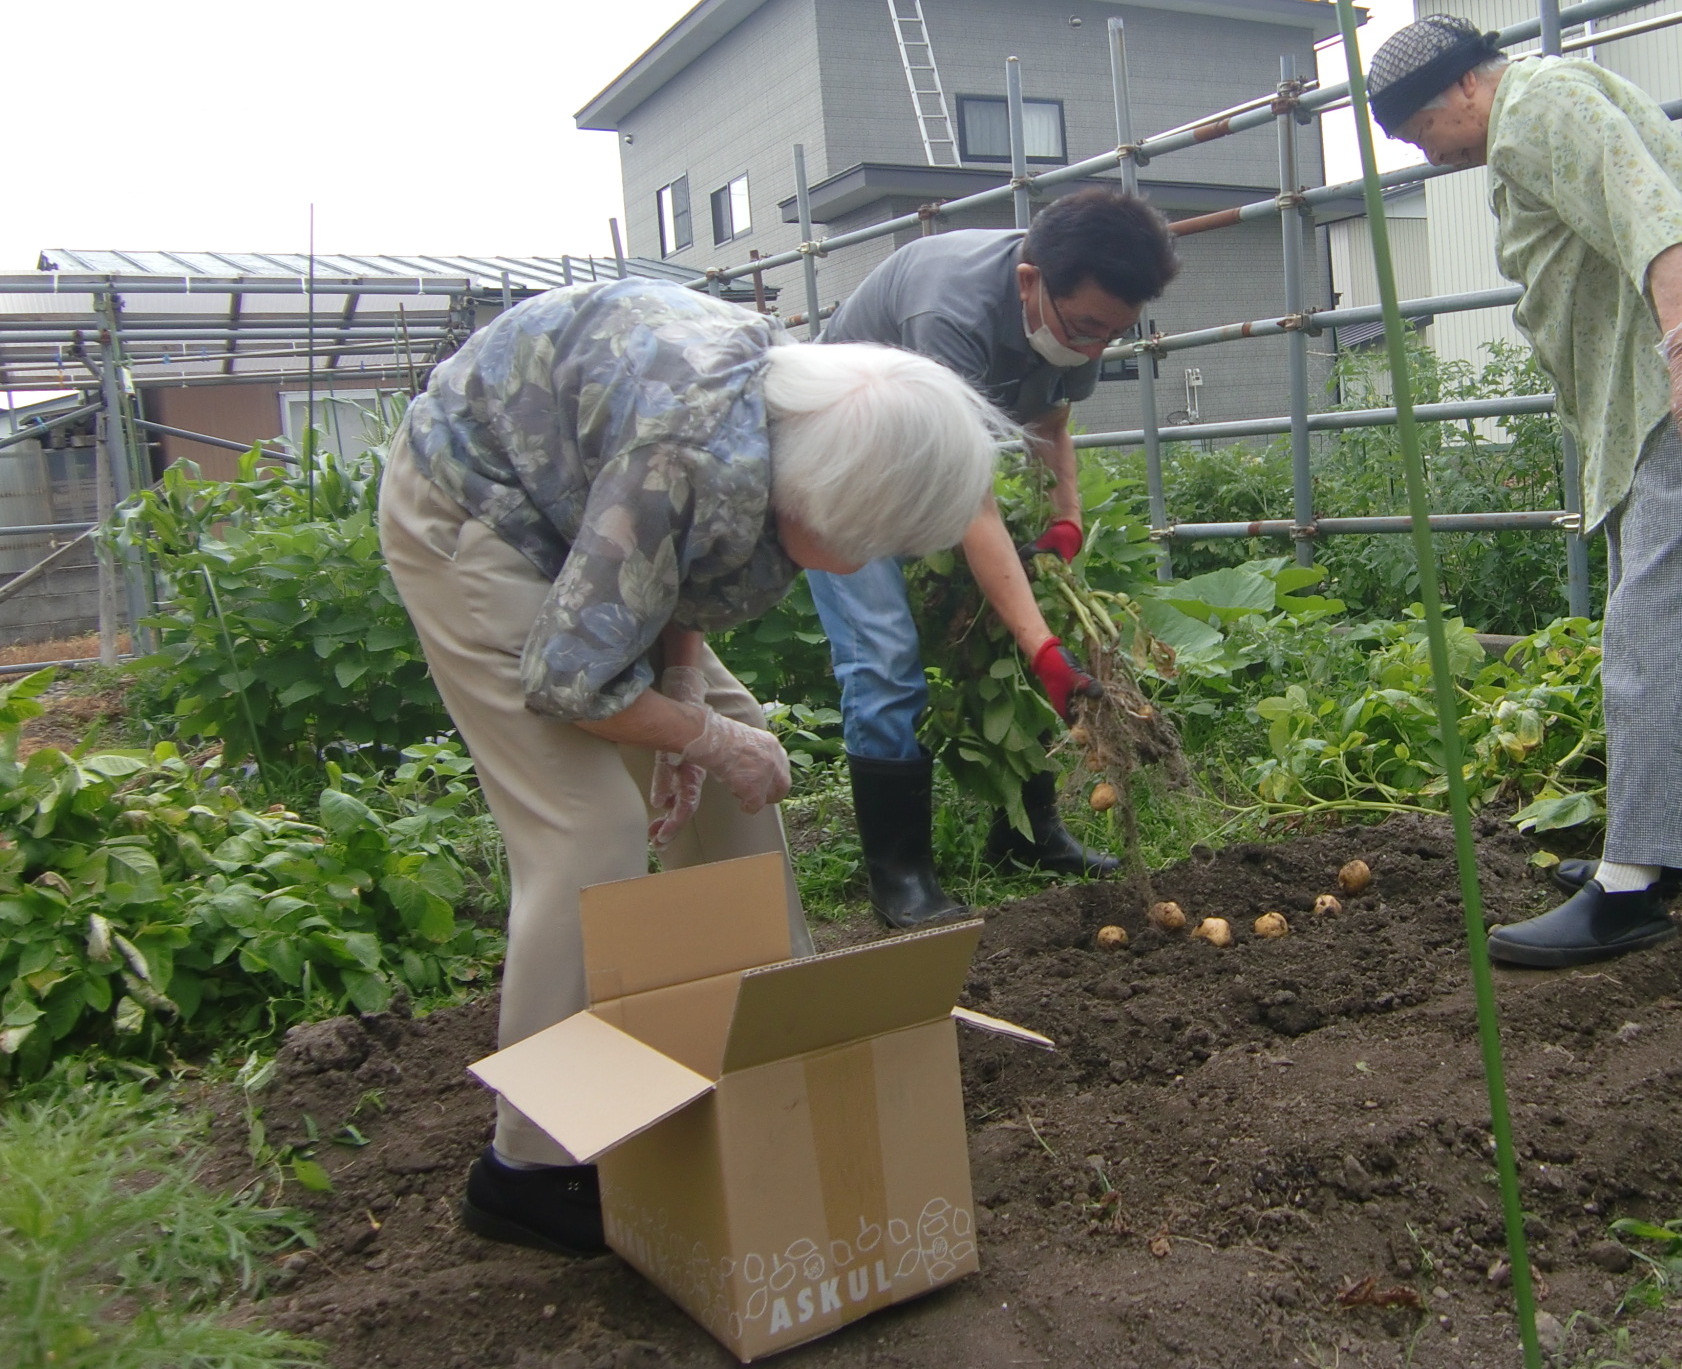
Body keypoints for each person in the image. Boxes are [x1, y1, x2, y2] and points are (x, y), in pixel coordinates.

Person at [378, 278, 1006, 1256]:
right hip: (480, 511)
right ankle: (530, 1170)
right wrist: (692, 737)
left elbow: (669, 564)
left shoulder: (782, 427)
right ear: (827, 499)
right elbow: (567, 677)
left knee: (735, 750)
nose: (868, 561)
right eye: (872, 540)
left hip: (593, 506)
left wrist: (685, 697)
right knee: (589, 832)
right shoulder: (689, 455)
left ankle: (764, 1049)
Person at [1366, 16, 1682, 968]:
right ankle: (1661, 855)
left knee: (1651, 623)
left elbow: (1647, 216)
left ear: (1463, 90)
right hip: (1651, 387)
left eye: (1419, 133)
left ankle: (1629, 889)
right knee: (1666, 620)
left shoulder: (1535, 107)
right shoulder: (1533, 109)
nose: (1428, 156)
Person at [812, 186, 1182, 927]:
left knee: (1009, 620)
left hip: (931, 459)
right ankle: (902, 876)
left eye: (1111, 334)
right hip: (838, 462)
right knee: (884, 653)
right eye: (1085, 329)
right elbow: (966, 498)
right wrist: (1042, 644)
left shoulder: (1078, 312)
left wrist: (1066, 520)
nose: (1093, 348)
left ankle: (1029, 835)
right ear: (1028, 283)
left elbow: (1050, 419)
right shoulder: (948, 310)